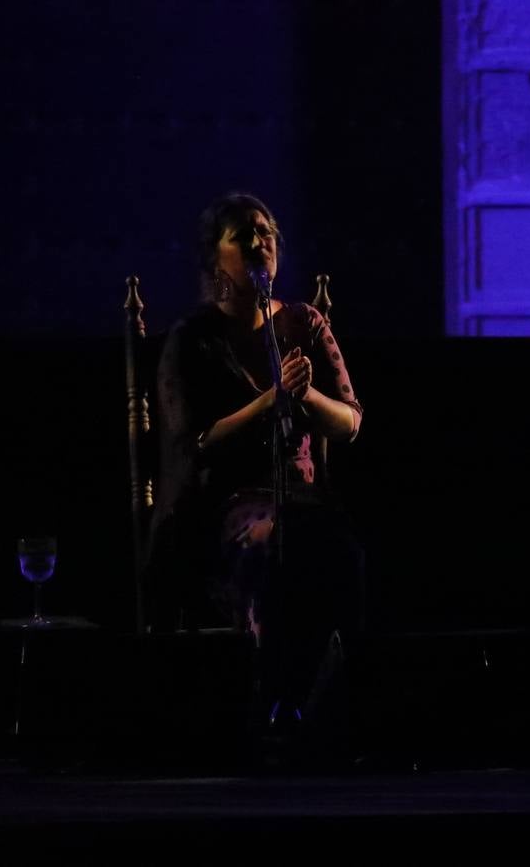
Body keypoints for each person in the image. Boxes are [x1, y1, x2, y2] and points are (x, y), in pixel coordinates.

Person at [147, 192, 365, 730]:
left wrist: (306, 396)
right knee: (276, 541)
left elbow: (352, 423)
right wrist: (269, 400)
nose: (258, 241)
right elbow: (193, 440)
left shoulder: (303, 324)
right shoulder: (194, 338)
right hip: (226, 505)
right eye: (241, 233)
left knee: (336, 543)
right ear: (213, 257)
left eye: (265, 231)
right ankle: (270, 706)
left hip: (304, 499)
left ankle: (338, 709)